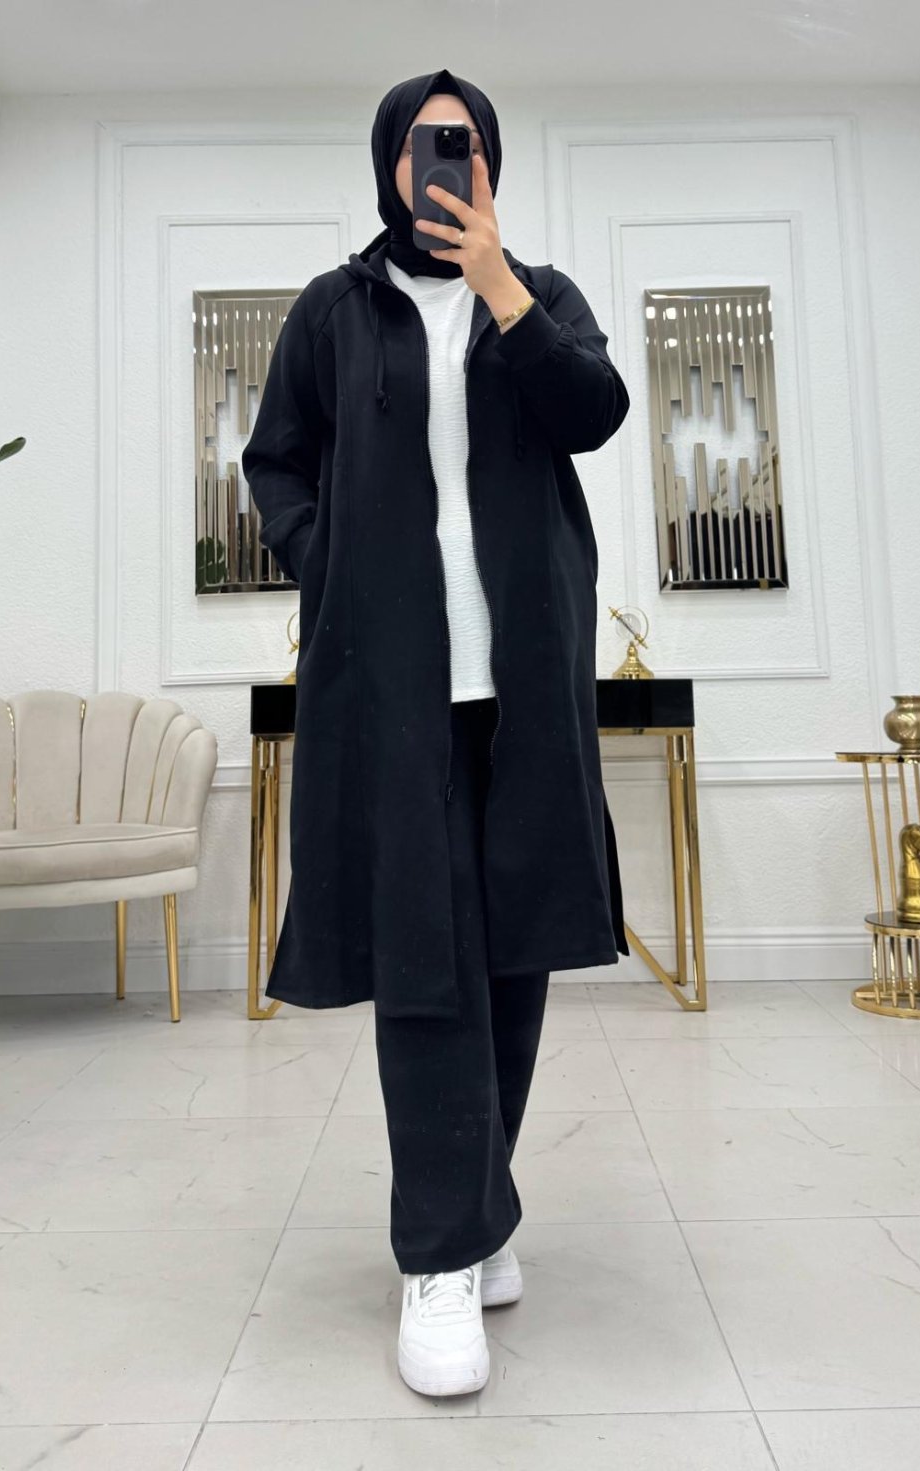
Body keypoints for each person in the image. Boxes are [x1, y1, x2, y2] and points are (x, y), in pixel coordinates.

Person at [242, 68, 631, 1399]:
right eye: (423, 144)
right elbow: (276, 460)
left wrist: (504, 288)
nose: (443, 163)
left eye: (464, 144)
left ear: (491, 166)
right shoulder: (332, 311)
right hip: (387, 689)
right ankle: (440, 1255)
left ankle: (479, 1206)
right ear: (387, 165)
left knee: (513, 954)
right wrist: (329, 561)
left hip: (521, 684)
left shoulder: (543, 294)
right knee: (425, 958)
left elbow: (594, 413)